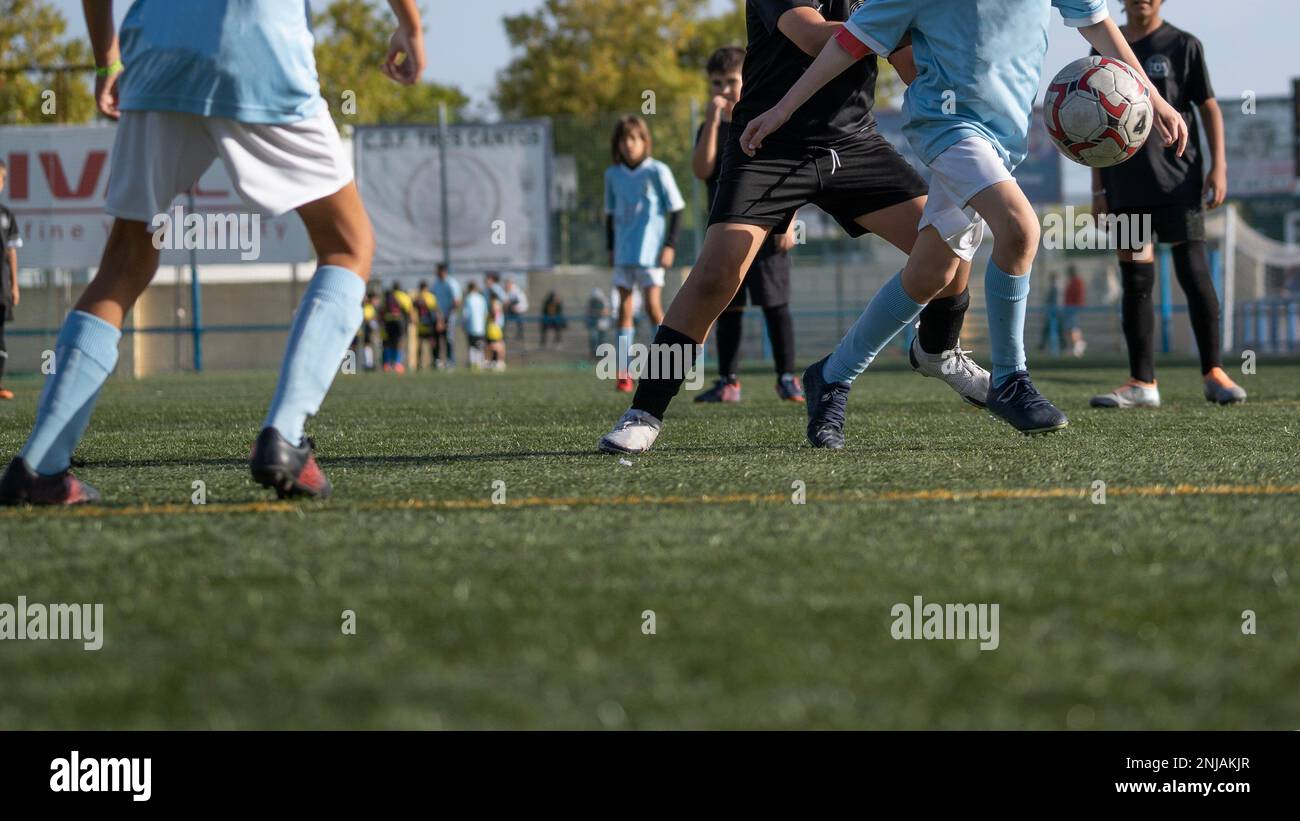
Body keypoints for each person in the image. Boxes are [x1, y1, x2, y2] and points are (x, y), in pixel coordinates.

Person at [0, 0, 424, 506]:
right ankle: (284, 437)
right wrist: (410, 26)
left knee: (125, 261)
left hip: (157, 49)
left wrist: (106, 59)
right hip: (258, 47)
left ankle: (40, 466)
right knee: (348, 245)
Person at [723, 0, 1189, 448]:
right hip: (947, 128)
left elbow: (1098, 24)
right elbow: (849, 42)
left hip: (1004, 140)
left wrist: (1154, 99)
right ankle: (1010, 379)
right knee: (1020, 228)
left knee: (932, 272)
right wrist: (782, 109)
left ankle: (832, 375)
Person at [598, 0, 992, 454]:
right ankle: (644, 411)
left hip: (853, 142)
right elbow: (812, 35)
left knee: (949, 237)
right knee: (715, 274)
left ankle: (938, 351)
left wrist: (962, 81)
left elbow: (910, 67)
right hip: (768, 142)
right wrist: (905, 25)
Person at [1089, 0, 1244, 408]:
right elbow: (1089, 124)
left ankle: (1214, 372)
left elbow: (1208, 107)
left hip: (1179, 181)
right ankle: (1143, 383)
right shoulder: (1102, 45)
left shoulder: (1184, 44)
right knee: (1136, 280)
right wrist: (1098, 190)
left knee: (1193, 271)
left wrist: (1219, 167)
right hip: (1124, 183)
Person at [692, 45, 804, 404]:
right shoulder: (708, 128)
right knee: (728, 305)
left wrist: (789, 220)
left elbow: (792, 174)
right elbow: (701, 170)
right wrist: (712, 122)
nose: (723, 90)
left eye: (731, 81)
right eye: (716, 83)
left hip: (768, 226)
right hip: (726, 231)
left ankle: (787, 378)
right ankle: (728, 381)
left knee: (775, 303)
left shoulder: (766, 119)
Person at [604, 115, 686, 393]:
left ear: (644, 141)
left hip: (650, 253)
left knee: (653, 308)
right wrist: (610, 247)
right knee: (623, 309)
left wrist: (669, 245)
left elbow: (676, 209)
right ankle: (624, 373)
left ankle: (663, 369)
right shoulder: (612, 174)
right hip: (624, 253)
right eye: (623, 139)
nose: (629, 144)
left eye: (634, 139)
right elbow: (610, 214)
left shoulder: (657, 171)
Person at [0, 159, 21, 401]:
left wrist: (14, 285)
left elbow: (11, 252)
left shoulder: (6, 216)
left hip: (1, 288)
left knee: (0, 337)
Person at [380, 281, 415, 373]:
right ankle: (397, 364)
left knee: (389, 342)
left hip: (388, 321)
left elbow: (383, 309)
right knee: (399, 342)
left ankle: (387, 364)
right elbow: (410, 309)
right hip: (398, 321)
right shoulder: (403, 296)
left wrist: (382, 321)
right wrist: (412, 320)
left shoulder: (389, 297)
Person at [431, 262, 461, 368]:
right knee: (436, 339)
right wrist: (439, 317)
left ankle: (450, 361)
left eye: (439, 271)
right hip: (438, 317)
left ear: (444, 271)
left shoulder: (451, 283)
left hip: (449, 317)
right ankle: (437, 361)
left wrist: (445, 318)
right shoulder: (436, 284)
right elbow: (433, 300)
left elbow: (456, 302)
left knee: (449, 339)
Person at [462, 281, 488, 369]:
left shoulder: (468, 299)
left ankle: (473, 363)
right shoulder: (482, 298)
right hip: (481, 327)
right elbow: (485, 313)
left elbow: (466, 314)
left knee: (472, 346)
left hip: (471, 327)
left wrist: (464, 325)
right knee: (480, 346)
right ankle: (480, 363)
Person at [413, 279, 439, 370]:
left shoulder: (418, 297)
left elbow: (413, 309)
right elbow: (435, 310)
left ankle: (419, 362)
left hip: (421, 323)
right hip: (429, 323)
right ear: (426, 288)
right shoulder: (431, 297)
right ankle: (434, 360)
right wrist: (439, 322)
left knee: (420, 342)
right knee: (432, 342)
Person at [1062, 265, 1087, 357]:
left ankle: (1079, 345)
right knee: (1071, 328)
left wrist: (1077, 305)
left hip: (1073, 308)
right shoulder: (1073, 281)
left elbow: (1077, 296)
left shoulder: (1076, 282)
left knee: (1073, 328)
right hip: (1070, 307)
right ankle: (1075, 347)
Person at [586, 287, 611, 358]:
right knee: (593, 337)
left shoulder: (604, 301)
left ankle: (601, 353)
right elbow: (588, 311)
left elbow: (606, 312)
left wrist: (597, 312)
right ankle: (593, 352)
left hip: (602, 322)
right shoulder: (591, 301)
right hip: (593, 322)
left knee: (602, 338)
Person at [486, 293, 506, 369]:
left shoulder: (495, 303)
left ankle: (497, 362)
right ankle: (499, 362)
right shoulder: (499, 303)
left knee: (494, 345)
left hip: (495, 327)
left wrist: (489, 317)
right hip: (498, 327)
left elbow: (494, 313)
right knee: (499, 345)